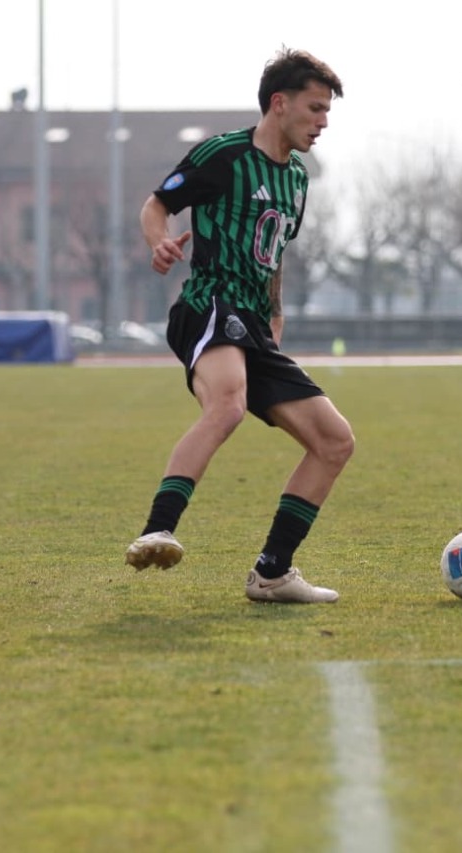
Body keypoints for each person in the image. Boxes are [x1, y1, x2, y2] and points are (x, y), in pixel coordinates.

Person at [125, 48, 354, 604]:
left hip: (252, 321)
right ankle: (158, 529)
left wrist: (275, 317)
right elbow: (157, 205)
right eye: (316, 108)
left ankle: (272, 573)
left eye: (327, 111)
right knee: (227, 406)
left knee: (334, 441)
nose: (323, 122)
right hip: (209, 301)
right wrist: (159, 242)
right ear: (280, 104)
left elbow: (274, 256)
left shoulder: (297, 180)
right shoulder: (223, 155)